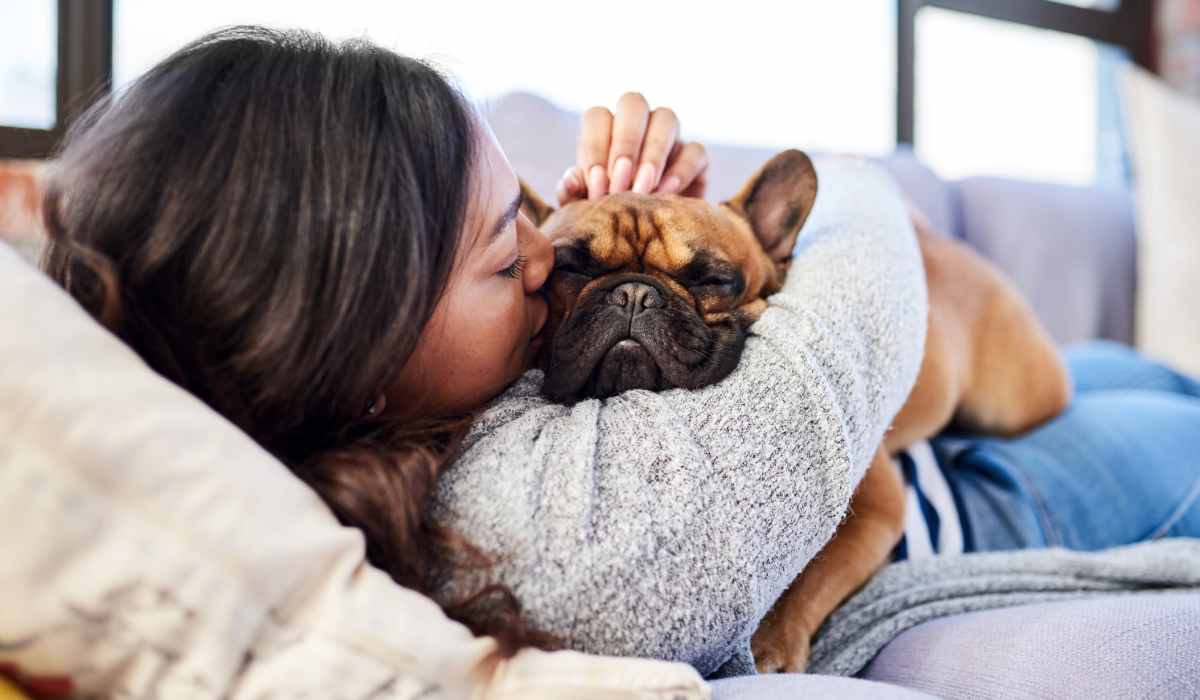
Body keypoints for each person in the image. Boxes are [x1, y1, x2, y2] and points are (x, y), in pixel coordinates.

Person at [41, 25, 1200, 679]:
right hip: (998, 491)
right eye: (518, 255)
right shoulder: (577, 527)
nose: (552, 272)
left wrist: (653, 237)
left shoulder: (386, 442)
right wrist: (739, 242)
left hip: (976, 408)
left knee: (1115, 371)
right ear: (364, 341)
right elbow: (871, 225)